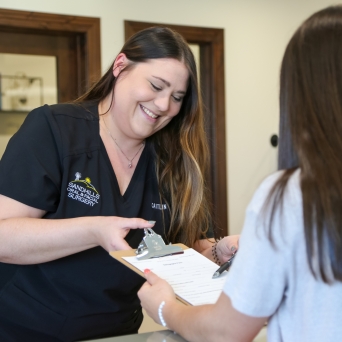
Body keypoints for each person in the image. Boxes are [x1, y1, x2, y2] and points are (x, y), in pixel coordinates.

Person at [0, 27, 238, 341]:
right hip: (23, 329)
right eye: (156, 85)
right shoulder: (53, 129)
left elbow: (180, 251)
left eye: (177, 97)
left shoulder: (172, 162)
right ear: (120, 66)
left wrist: (221, 253)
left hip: (117, 334)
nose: (164, 104)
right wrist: (94, 230)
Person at [138, 6, 342, 342]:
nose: (163, 107)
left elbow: (226, 331)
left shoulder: (291, 194)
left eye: (176, 96)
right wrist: (220, 250)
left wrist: (165, 307)